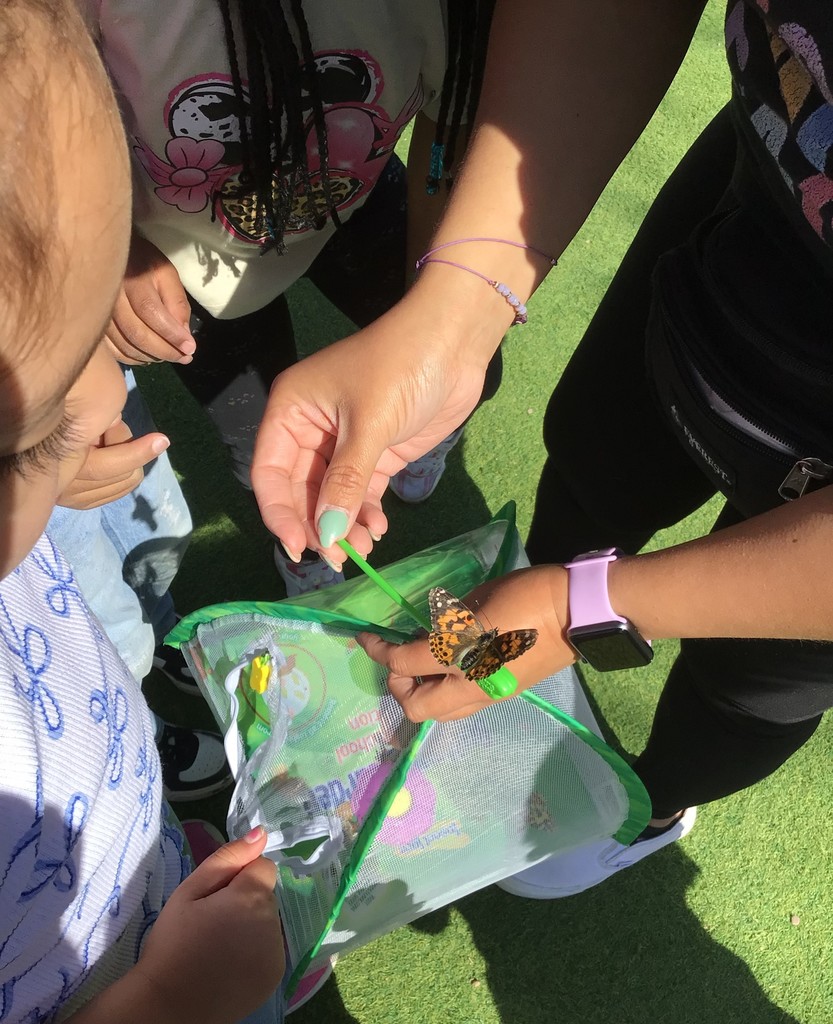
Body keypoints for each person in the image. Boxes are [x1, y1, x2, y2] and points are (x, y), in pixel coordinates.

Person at [249, 0, 833, 896]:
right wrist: (455, 312)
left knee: (750, 678)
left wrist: (580, 609)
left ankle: (653, 802)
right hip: (760, 190)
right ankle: (515, 679)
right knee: (596, 466)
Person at [0, 4, 285, 1021]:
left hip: (132, 869)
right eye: (33, 431)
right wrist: (170, 993)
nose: (108, 397)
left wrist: (43, 466)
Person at [85, 0, 498, 597]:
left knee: (471, 364)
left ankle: (427, 441)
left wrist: (440, 299)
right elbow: (33, 102)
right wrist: (111, 241)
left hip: (349, 190)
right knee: (268, 449)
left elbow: (452, 119)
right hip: (174, 250)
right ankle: (306, 552)